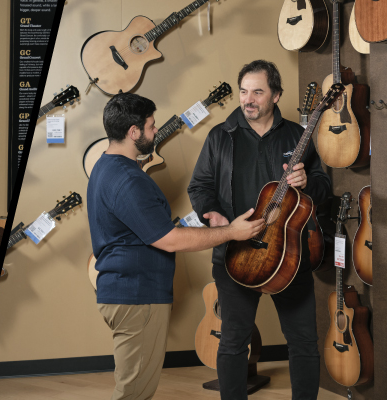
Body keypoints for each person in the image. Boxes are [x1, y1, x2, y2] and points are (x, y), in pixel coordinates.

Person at [88, 93, 265, 400]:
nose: (156, 131)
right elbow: (167, 240)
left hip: (125, 293)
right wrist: (232, 232)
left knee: (134, 386)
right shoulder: (128, 179)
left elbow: (144, 231)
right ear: (133, 132)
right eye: (151, 126)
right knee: (134, 393)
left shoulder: (105, 168)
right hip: (137, 298)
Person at [187, 60, 332, 400]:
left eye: (257, 92)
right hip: (234, 255)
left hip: (289, 257)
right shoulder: (219, 136)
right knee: (234, 341)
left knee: (303, 343)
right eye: (243, 91)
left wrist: (308, 181)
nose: (248, 99)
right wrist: (215, 217)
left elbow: (324, 187)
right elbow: (200, 186)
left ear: (276, 95)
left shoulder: (298, 135)